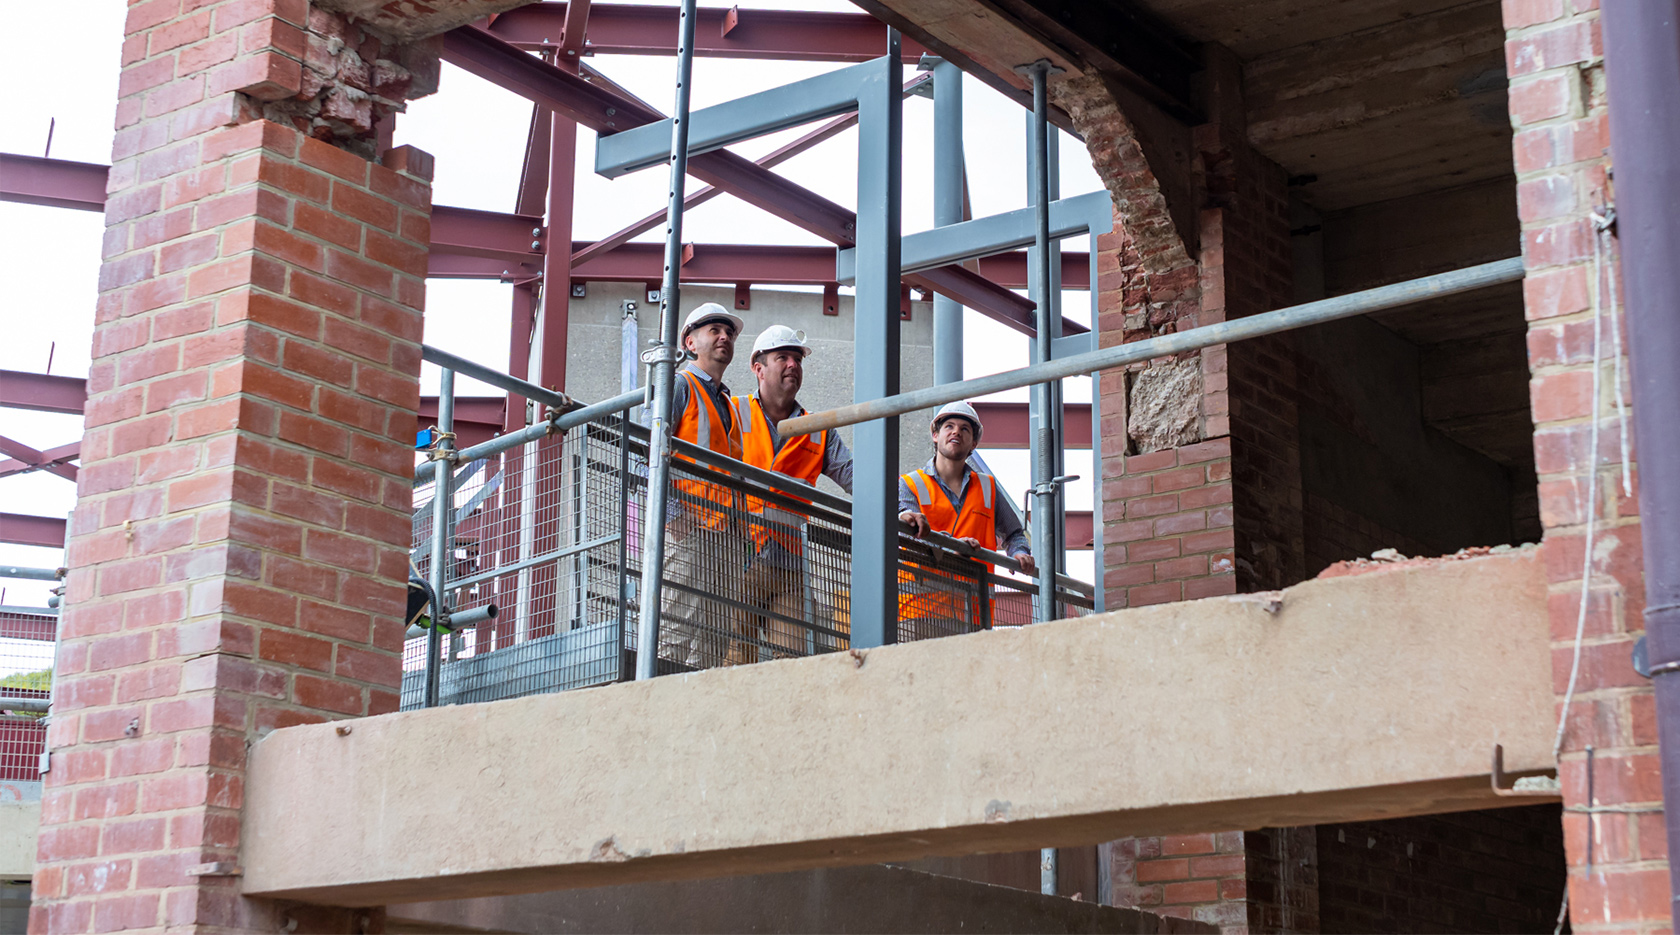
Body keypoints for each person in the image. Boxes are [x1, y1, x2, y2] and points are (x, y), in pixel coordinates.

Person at [730, 325, 853, 656]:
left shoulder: (816, 428)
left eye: (797, 359)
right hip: (739, 555)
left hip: (790, 564)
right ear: (758, 368)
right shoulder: (733, 411)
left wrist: (900, 506)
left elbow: (858, 477)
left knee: (795, 663)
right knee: (733, 657)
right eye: (782, 357)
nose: (793, 365)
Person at [657, 302, 748, 669]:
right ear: (690, 342)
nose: (724, 336)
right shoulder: (680, 385)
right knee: (675, 633)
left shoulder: (728, 402)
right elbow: (646, 455)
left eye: (729, 332)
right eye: (714, 330)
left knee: (714, 640)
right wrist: (674, 517)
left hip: (726, 535)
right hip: (690, 532)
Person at [896, 401, 1035, 636]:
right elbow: (908, 537)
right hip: (920, 610)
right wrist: (952, 546)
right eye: (949, 426)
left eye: (964, 429)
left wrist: (1019, 552)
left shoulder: (988, 488)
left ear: (974, 443)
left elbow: (1013, 533)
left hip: (974, 612)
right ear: (935, 435)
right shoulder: (909, 484)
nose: (956, 432)